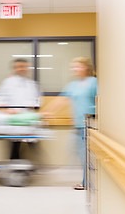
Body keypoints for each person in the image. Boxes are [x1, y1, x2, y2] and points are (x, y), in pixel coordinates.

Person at [41, 57, 97, 190]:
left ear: (86, 67)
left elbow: (101, 101)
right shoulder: (73, 85)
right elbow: (62, 100)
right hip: (78, 125)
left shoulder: (94, 82)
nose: (74, 69)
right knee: (76, 153)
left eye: (77, 66)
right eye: (73, 67)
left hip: (90, 125)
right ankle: (86, 181)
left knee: (86, 156)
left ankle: (86, 183)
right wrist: (46, 112)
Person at [0, 58, 41, 159]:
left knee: (33, 146)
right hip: (13, 120)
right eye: (18, 67)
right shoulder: (7, 83)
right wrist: (6, 110)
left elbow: (37, 102)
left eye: (23, 66)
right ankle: (15, 170)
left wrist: (32, 110)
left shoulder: (31, 84)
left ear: (27, 68)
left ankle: (26, 168)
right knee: (14, 147)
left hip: (27, 119)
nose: (21, 69)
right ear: (14, 69)